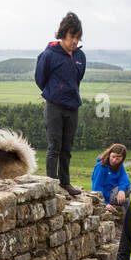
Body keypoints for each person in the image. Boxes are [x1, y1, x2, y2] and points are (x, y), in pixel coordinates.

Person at [35, 12, 86, 196]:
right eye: (72, 36)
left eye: (78, 37)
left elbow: (78, 78)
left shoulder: (80, 56)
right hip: (54, 106)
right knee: (54, 146)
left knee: (67, 147)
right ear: (63, 34)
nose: (75, 41)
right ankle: (51, 183)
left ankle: (65, 183)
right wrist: (54, 93)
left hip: (72, 106)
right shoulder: (49, 55)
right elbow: (40, 79)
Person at [91, 143, 131, 209]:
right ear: (109, 154)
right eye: (113, 157)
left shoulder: (120, 166)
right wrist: (105, 203)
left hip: (117, 193)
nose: (114, 160)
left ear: (122, 158)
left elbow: (124, 179)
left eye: (118, 159)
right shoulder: (101, 166)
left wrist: (122, 190)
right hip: (107, 196)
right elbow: (96, 187)